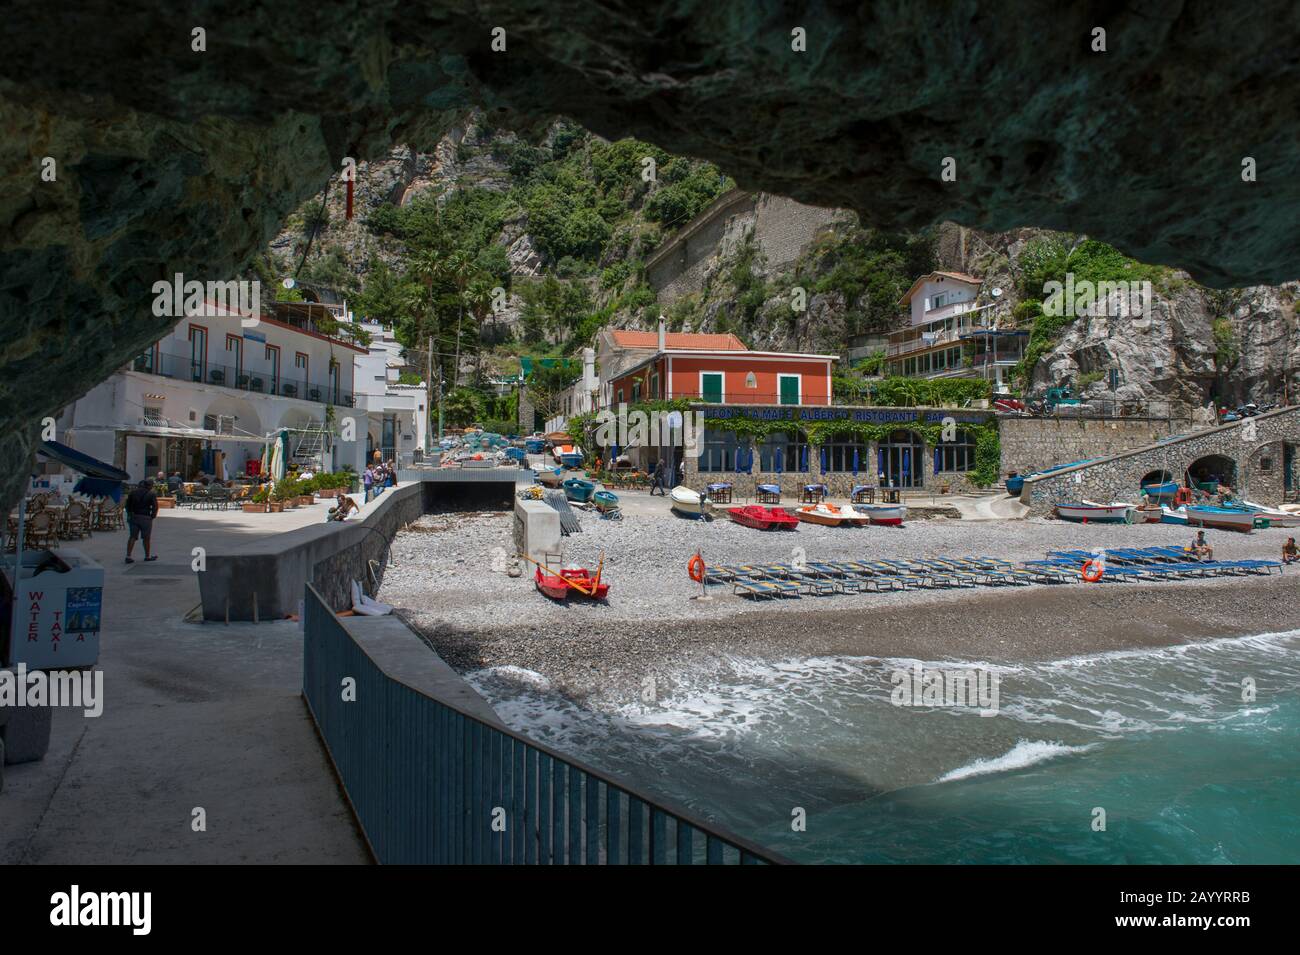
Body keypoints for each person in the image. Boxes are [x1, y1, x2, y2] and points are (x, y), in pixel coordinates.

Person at [125, 478, 159, 564]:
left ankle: (128, 556)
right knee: (146, 538)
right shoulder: (151, 494)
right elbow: (155, 507)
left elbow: (127, 505)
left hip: (134, 516)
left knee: (132, 536)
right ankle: (147, 556)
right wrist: (152, 516)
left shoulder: (133, 492)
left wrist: (129, 514)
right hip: (145, 517)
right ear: (150, 486)